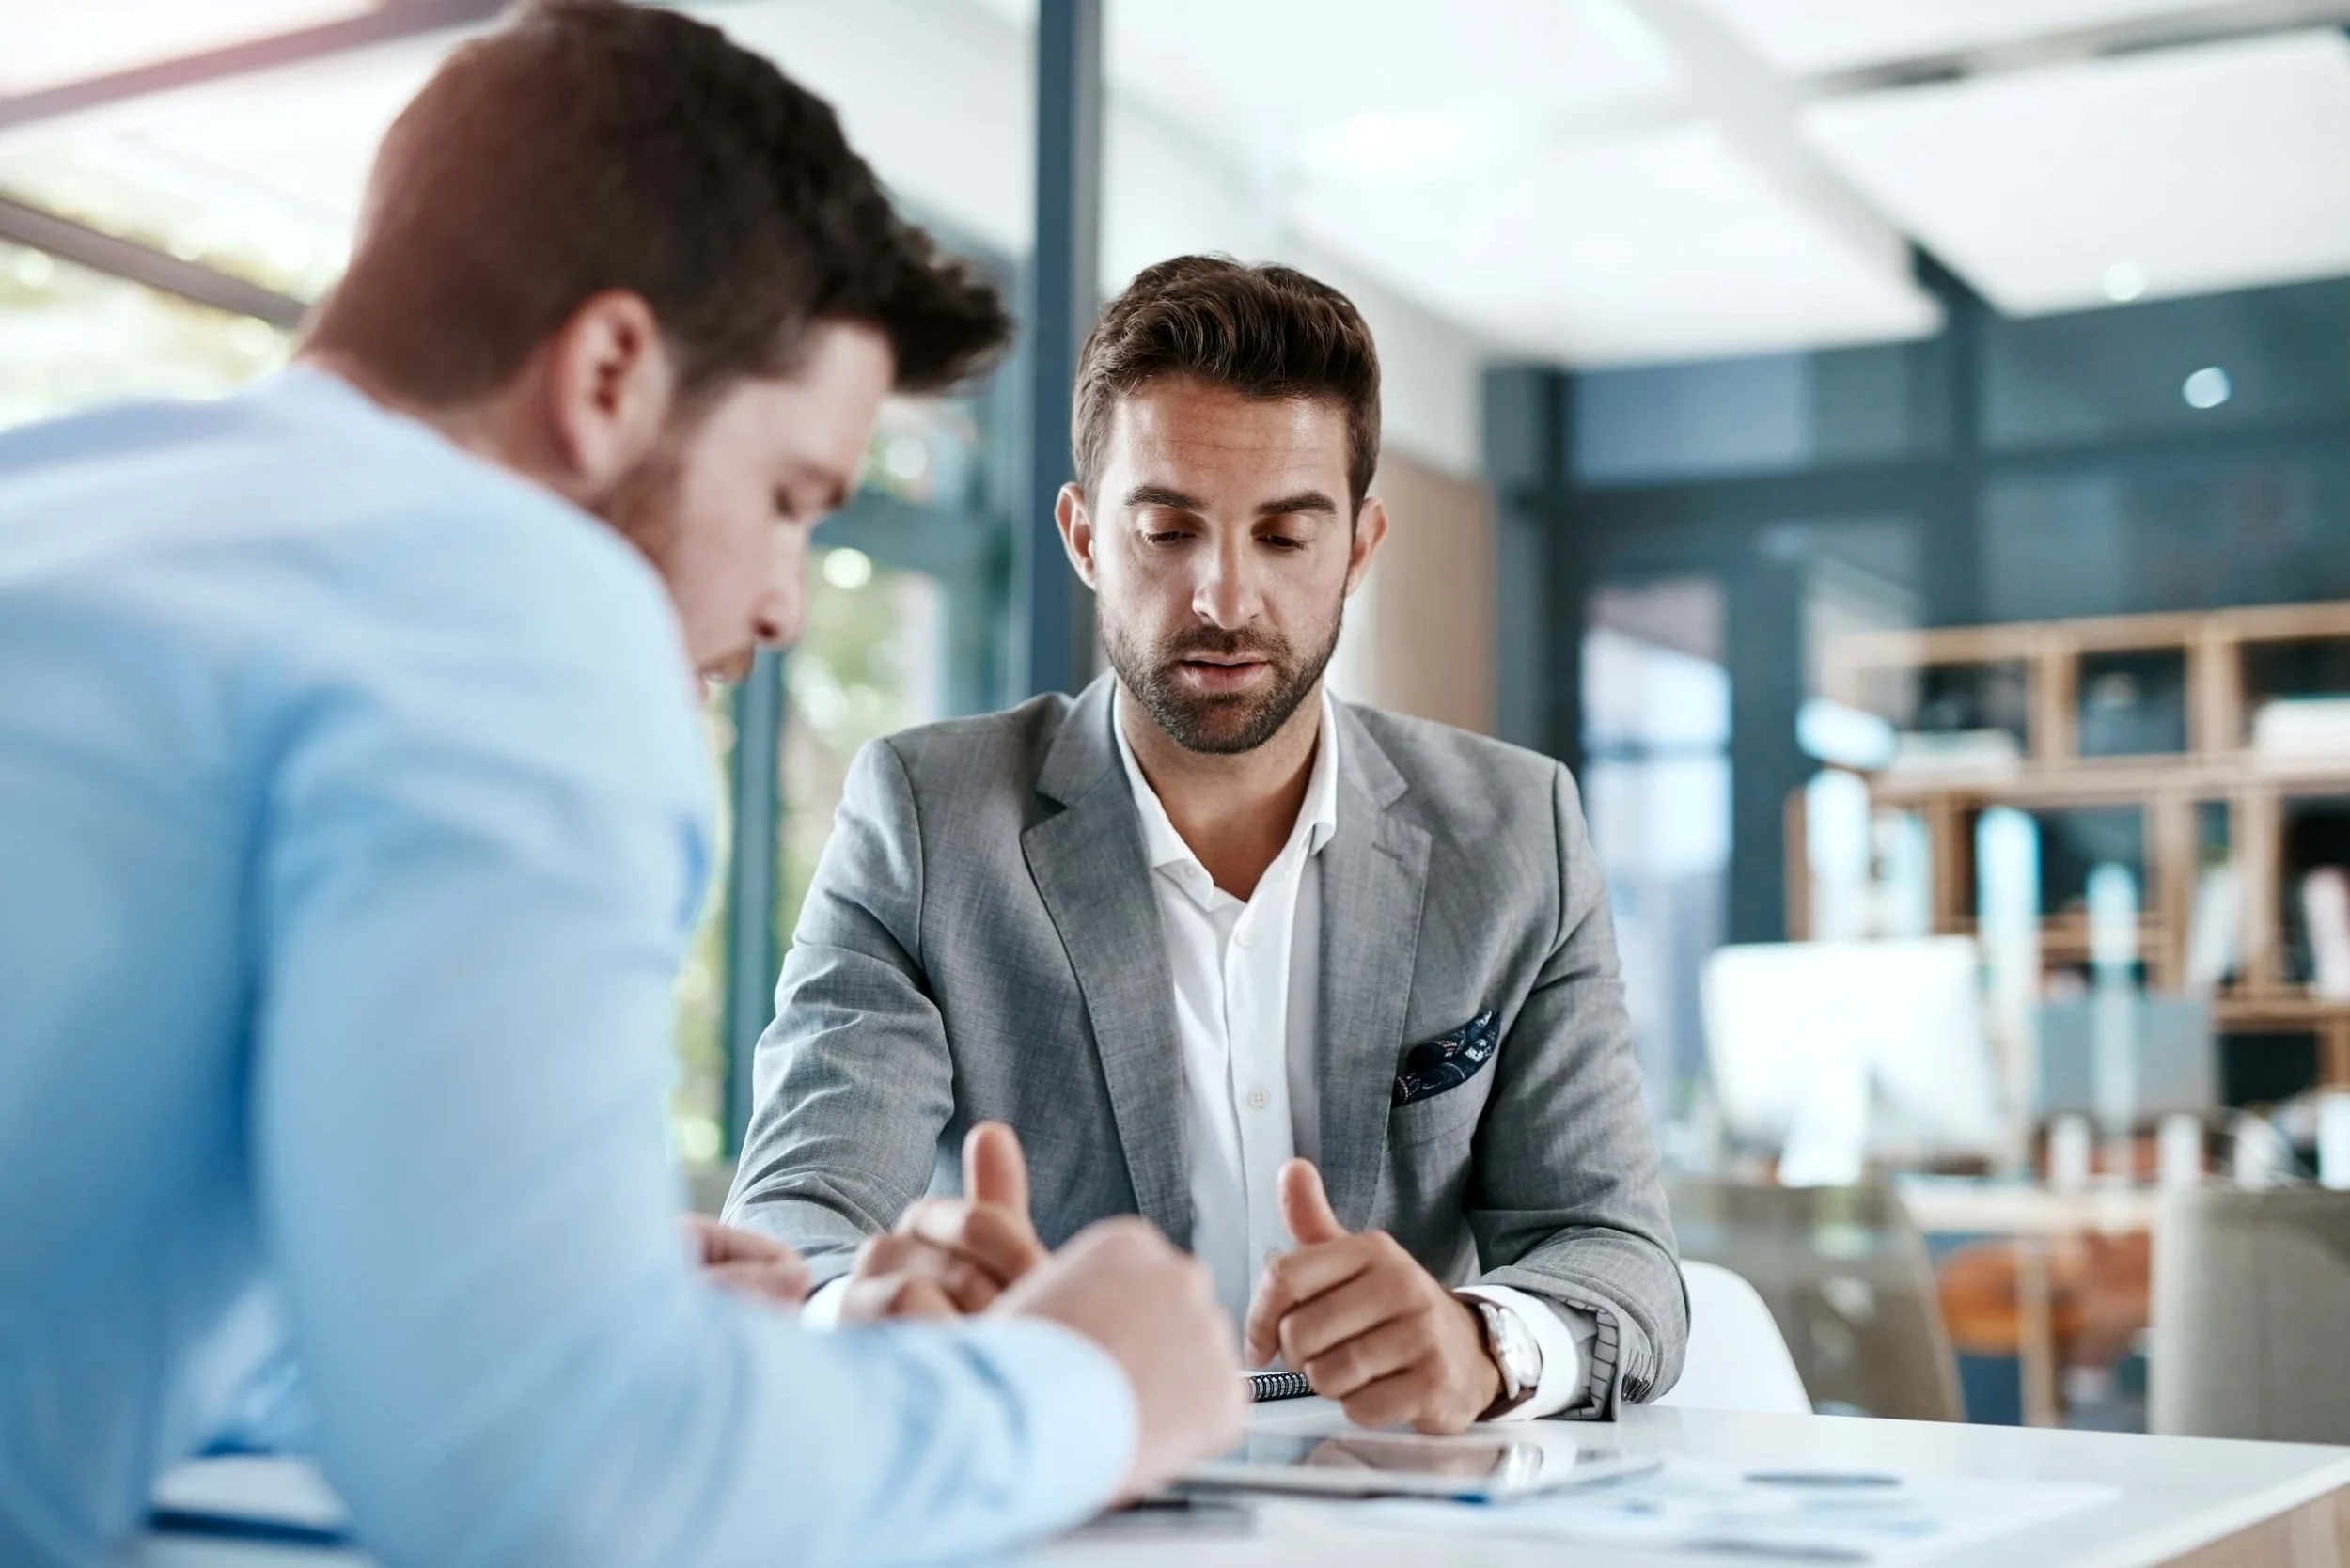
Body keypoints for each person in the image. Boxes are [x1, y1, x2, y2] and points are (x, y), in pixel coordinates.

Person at [0, 6, 1243, 1565]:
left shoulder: (60, 500)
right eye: (791, 496)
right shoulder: (503, 594)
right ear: (606, 374)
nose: (789, 600)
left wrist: (468, 1287)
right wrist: (1082, 1387)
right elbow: (563, 1483)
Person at [726, 256, 1686, 1435]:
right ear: (1084, 537)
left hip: (1397, 1508)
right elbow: (798, 1210)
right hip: (1068, 1487)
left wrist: (1486, 1344)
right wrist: (862, 1308)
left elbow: (1613, 1250)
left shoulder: (1515, 830)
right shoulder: (928, 821)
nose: (1223, 598)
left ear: (1360, 547)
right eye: (1167, 531)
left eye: (1285, 537)